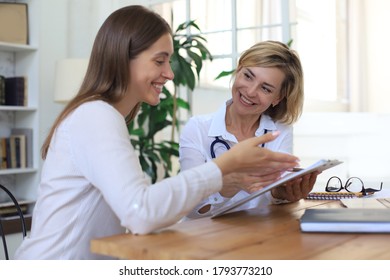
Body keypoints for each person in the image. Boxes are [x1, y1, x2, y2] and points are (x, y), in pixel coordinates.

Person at [14, 6, 300, 259]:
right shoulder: (94, 115)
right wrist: (224, 166)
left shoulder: (105, 116)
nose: (170, 73)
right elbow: (140, 212)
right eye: (159, 60)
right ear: (124, 58)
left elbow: (141, 204)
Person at [179, 40, 319, 218]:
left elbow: (273, 195)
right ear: (238, 70)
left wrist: (281, 195)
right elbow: (190, 210)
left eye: (266, 88)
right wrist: (228, 186)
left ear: (278, 98)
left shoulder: (280, 131)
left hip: (256, 236)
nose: (251, 91)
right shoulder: (197, 129)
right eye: (248, 76)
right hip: (204, 239)